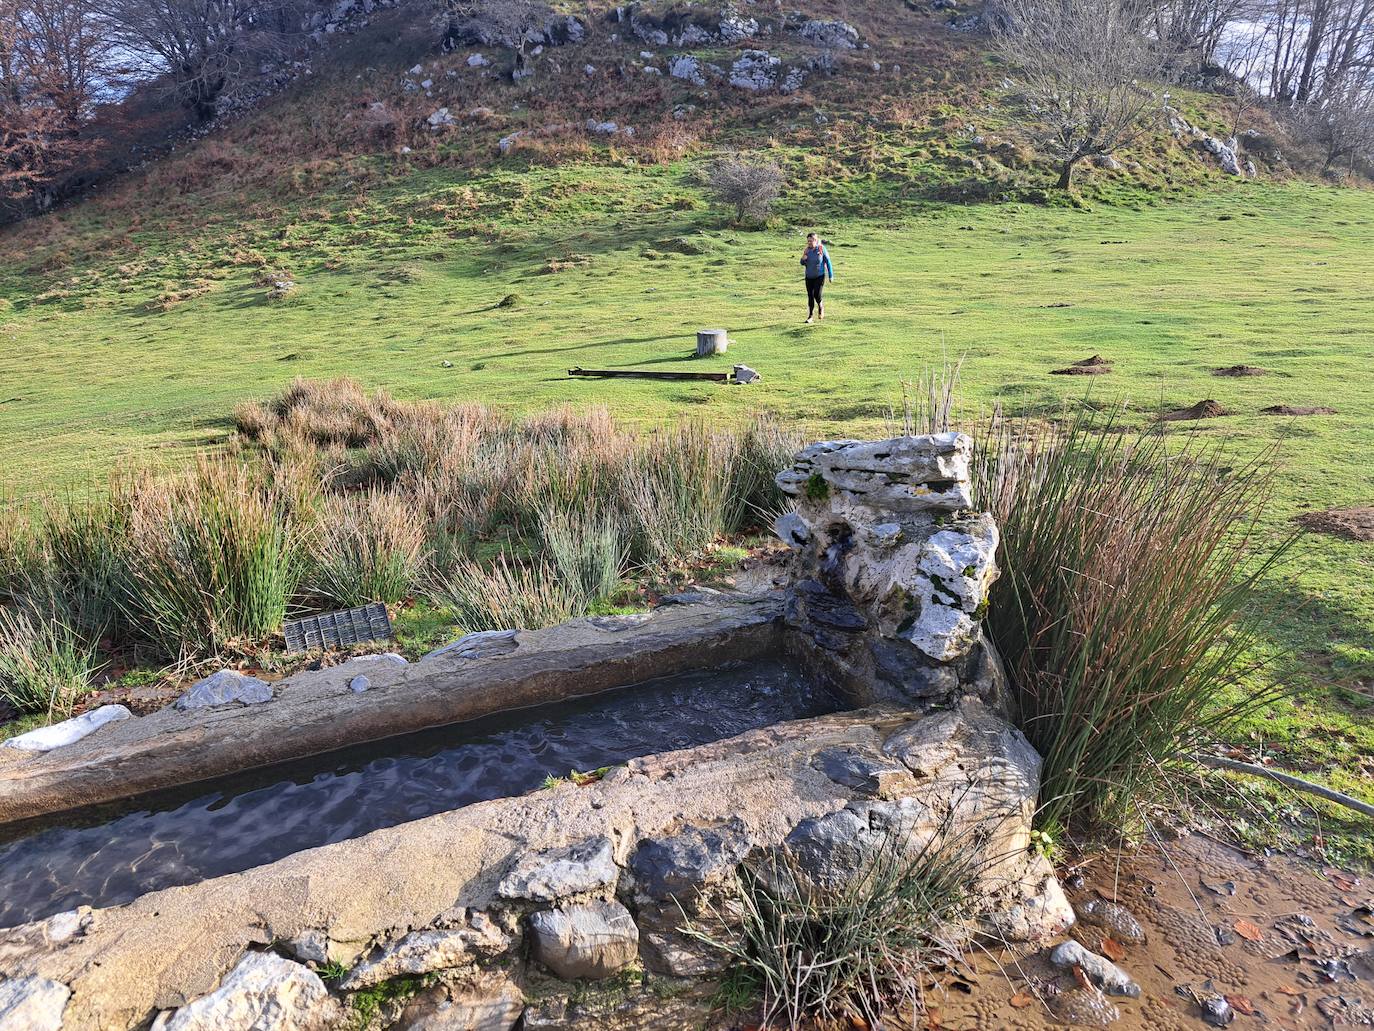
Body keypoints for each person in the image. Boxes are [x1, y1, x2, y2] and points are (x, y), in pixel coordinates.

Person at [799, 232, 833, 323]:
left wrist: (831, 275)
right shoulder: (807, 250)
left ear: (815, 240)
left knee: (817, 295)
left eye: (811, 241)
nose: (809, 243)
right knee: (810, 296)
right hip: (809, 277)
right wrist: (803, 258)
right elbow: (802, 263)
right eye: (808, 241)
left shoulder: (821, 249)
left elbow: (828, 261)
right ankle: (810, 317)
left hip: (819, 276)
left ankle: (820, 306)